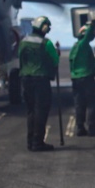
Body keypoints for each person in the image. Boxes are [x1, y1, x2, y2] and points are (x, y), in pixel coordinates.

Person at [18, 16, 59, 152]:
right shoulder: (46, 43)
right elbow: (55, 60)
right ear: (44, 28)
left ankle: (30, 142)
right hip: (40, 80)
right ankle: (38, 142)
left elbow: (20, 57)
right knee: (41, 111)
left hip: (25, 78)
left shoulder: (23, 41)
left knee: (31, 111)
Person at [69, 19, 95, 137]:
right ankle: (92, 127)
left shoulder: (74, 47)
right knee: (92, 103)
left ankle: (80, 127)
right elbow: (88, 35)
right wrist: (93, 24)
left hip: (76, 79)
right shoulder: (83, 45)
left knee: (79, 103)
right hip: (86, 77)